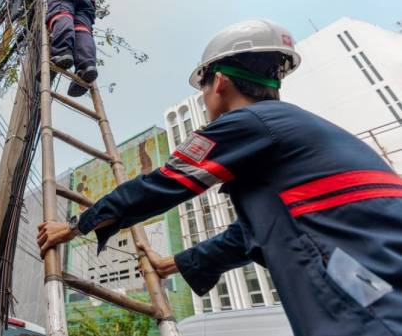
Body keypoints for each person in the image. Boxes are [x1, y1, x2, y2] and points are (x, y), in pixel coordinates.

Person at [37, 19, 402, 336]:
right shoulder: (297, 132)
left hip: (371, 304)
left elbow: (163, 184)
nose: (204, 97)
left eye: (203, 88)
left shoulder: (248, 123)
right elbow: (250, 234)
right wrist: (172, 264)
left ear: (221, 82)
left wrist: (73, 227)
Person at [25, 0, 98, 97]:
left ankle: (62, 52)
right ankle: (86, 66)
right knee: (82, 30)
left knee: (61, 14)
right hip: (86, 4)